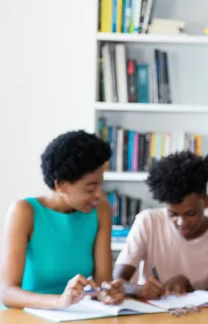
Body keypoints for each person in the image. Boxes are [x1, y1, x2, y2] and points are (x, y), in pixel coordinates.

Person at [0, 130, 125, 310]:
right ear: (61, 185)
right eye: (90, 188)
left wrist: (108, 292)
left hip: (75, 315)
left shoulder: (101, 210)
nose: (99, 194)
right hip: (25, 317)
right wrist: (59, 302)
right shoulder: (24, 212)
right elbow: (7, 293)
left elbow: (102, 281)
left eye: (100, 184)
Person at [113, 151, 208, 299]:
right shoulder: (148, 222)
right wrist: (138, 289)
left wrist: (188, 287)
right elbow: (118, 280)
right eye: (173, 215)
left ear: (207, 201)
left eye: (191, 214)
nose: (182, 223)